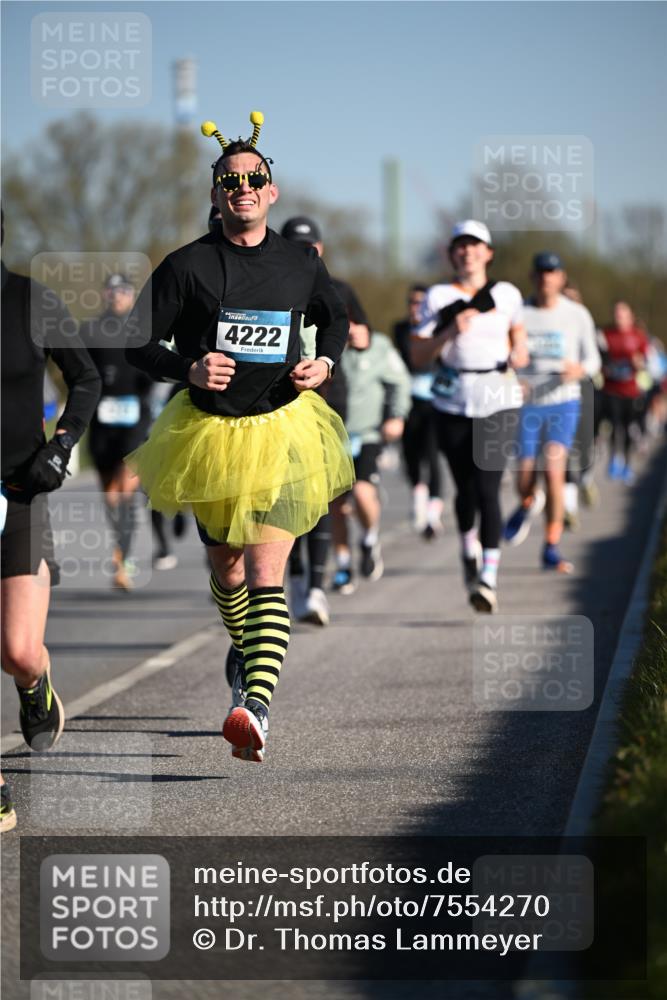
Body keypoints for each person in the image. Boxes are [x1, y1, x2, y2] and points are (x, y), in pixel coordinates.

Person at [124, 112, 353, 763]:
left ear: (271, 191)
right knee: (227, 573)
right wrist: (186, 367)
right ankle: (245, 650)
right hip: (210, 435)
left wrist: (324, 361)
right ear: (216, 193)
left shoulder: (300, 262)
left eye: (254, 178)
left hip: (284, 431)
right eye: (230, 179)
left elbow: (332, 319)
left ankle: (254, 705)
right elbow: (136, 340)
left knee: (265, 570)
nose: (242, 188)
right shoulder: (187, 265)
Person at [1, 214, 101, 830]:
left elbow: (85, 378)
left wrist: (59, 448)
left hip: (20, 490)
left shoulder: (29, 299)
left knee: (17, 649)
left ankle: (35, 684)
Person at [412, 220, 528, 613]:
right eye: (460, 246)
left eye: (475, 245)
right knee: (464, 488)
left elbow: (519, 334)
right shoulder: (437, 296)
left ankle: (488, 577)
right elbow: (418, 355)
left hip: (498, 395)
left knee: (488, 487)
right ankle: (468, 550)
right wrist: (448, 334)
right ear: (451, 253)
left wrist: (521, 353)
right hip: (453, 400)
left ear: (488, 252)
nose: (468, 252)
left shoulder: (507, 294)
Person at [279, 214, 362, 625]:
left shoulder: (338, 288)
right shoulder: (272, 281)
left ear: (321, 249)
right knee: (289, 498)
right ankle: (295, 581)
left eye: (311, 247)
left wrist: (331, 354)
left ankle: (315, 588)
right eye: (296, 246)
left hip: (328, 398)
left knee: (323, 493)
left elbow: (354, 332)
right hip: (282, 405)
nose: (305, 253)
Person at [503, 253, 600, 572]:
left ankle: (551, 546)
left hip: (564, 401)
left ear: (561, 277)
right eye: (541, 272)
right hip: (528, 404)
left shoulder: (576, 314)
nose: (547, 278)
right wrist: (513, 377)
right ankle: (529, 501)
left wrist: (580, 369)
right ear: (533, 277)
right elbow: (505, 354)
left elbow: (594, 360)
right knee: (524, 477)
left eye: (553, 272)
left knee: (555, 471)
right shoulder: (520, 313)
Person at [331, 300, 412, 593]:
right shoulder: (331, 348)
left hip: (368, 434)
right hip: (334, 437)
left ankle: (369, 538)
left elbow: (400, 382)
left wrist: (396, 416)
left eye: (355, 323)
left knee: (363, 492)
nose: (350, 330)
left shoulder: (381, 348)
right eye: (345, 324)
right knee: (336, 507)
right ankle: (342, 565)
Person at [81, 274, 156, 587]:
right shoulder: (90, 330)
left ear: (131, 296)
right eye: (111, 290)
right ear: (104, 295)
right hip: (101, 419)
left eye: (123, 291)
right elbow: (79, 370)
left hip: (134, 417)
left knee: (125, 491)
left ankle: (121, 560)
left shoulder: (141, 331)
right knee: (110, 494)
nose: (117, 296)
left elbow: (155, 370)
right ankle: (122, 549)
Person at [394, 284, 445, 539]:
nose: (416, 307)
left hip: (435, 401)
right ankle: (418, 493)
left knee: (432, 454)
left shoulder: (439, 328)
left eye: (420, 303)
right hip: (408, 400)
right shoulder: (401, 329)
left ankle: (433, 512)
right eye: (412, 302)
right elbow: (406, 359)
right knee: (410, 454)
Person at [600, 301, 650, 483]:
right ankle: (615, 459)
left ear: (630, 316)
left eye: (622, 313)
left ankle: (627, 464)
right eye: (616, 313)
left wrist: (639, 363)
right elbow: (599, 355)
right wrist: (605, 366)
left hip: (631, 390)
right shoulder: (606, 333)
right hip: (611, 388)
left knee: (629, 428)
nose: (618, 317)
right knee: (615, 425)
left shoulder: (638, 336)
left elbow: (645, 361)